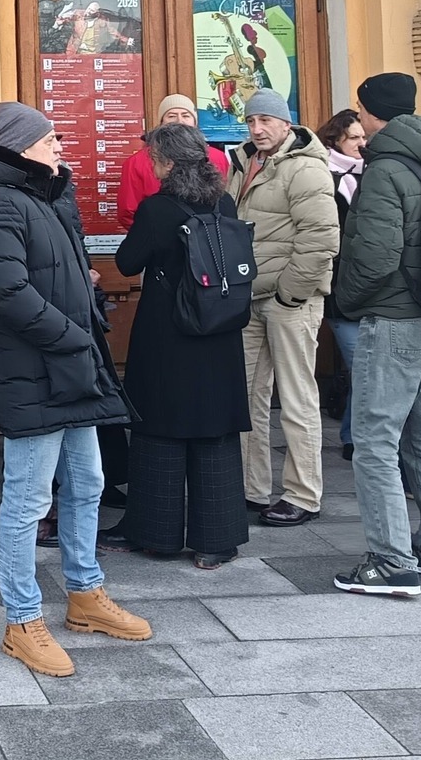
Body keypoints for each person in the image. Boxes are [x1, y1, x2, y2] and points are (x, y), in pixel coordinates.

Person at [0, 102, 148, 679]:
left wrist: (85, 325)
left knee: (88, 480)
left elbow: (64, 275)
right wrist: (71, 335)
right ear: (20, 148)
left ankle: (85, 594)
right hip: (37, 370)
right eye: (48, 142)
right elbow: (5, 289)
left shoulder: (43, 196)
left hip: (70, 367)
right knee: (27, 500)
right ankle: (22, 620)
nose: (59, 148)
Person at [331, 73, 421, 598]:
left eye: (361, 110)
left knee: (375, 439)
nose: (358, 119)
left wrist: (347, 300)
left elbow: (375, 253)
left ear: (372, 112)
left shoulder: (385, 168)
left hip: (395, 317)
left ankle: (391, 562)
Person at [108, 123, 252, 568]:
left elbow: (127, 260)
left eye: (154, 158)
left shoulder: (158, 209)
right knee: (215, 432)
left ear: (168, 163)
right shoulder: (223, 200)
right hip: (220, 330)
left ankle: (156, 534)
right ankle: (217, 540)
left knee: (161, 431)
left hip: (169, 333)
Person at [227, 90, 339, 527]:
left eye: (266, 121)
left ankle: (303, 494)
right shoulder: (241, 163)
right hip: (248, 298)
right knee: (247, 397)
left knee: (296, 400)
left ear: (286, 124)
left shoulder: (307, 168)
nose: (257, 129)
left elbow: (321, 240)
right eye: (251, 121)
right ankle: (251, 489)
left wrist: (290, 293)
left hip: (291, 301)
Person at [318, 108, 366, 461]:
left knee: (365, 367)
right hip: (336, 289)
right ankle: (354, 436)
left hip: (370, 288)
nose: (361, 144)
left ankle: (354, 435)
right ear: (335, 140)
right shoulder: (322, 175)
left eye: (364, 137)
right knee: (362, 363)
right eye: (354, 138)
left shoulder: (373, 174)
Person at [115, 93, 232, 232]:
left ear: (195, 123)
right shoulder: (136, 162)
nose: (179, 121)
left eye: (186, 115)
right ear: (161, 123)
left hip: (206, 242)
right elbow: (128, 212)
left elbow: (224, 204)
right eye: (171, 116)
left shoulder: (218, 157)